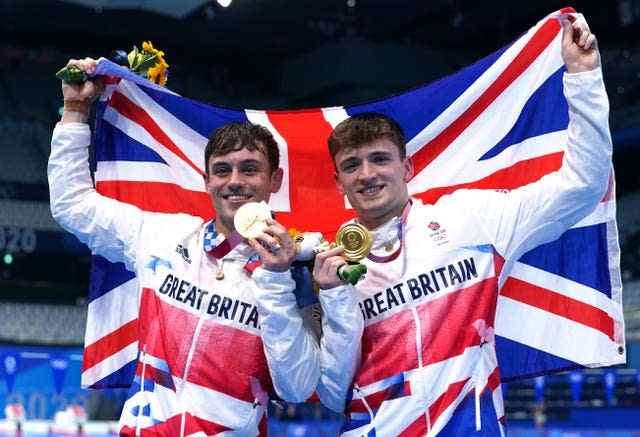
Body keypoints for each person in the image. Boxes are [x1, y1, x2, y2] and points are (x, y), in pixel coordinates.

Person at [313, 13, 611, 436]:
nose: (367, 174)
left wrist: (583, 78)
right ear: (339, 182)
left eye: (380, 159)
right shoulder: (334, 265)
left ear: (408, 167)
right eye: (351, 165)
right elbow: (331, 389)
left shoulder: (472, 220)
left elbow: (582, 185)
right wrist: (335, 298)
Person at [48, 58, 329, 436]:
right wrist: (76, 110)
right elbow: (72, 204)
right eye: (223, 170)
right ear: (206, 179)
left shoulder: (300, 270)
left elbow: (296, 387)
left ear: (274, 180)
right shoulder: (160, 236)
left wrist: (275, 279)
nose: (235, 182)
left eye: (249, 169)